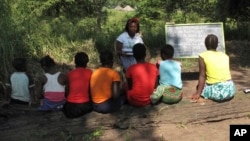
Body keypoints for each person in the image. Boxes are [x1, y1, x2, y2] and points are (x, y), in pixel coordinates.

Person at [191, 34, 236, 102]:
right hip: (230, 90)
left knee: (198, 86)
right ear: (217, 45)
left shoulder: (203, 56)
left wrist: (198, 93)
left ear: (205, 44)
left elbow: (202, 76)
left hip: (217, 93)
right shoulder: (225, 56)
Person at [63, 52, 92, 118]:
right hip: (85, 106)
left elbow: (66, 91)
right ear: (86, 62)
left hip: (70, 108)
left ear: (75, 62)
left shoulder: (70, 74)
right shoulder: (90, 72)